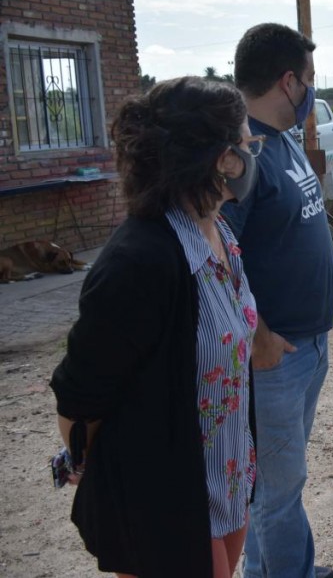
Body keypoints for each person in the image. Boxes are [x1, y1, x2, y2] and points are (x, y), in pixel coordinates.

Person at [50, 76, 261, 578]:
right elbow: (80, 398)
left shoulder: (219, 231)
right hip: (167, 497)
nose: (255, 155)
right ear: (222, 158)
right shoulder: (140, 260)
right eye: (250, 145)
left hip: (224, 479)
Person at [221, 23, 333, 578]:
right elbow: (217, 256)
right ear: (288, 80)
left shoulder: (281, 136)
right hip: (274, 357)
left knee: (278, 486)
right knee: (279, 490)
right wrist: (260, 336)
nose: (312, 90)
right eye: (309, 79)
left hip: (305, 345)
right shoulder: (240, 154)